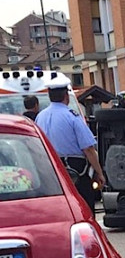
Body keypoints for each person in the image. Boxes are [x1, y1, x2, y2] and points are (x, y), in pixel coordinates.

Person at [35, 74, 105, 216]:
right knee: (84, 208)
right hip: (75, 169)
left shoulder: (40, 116)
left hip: (49, 169)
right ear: (66, 95)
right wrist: (99, 172)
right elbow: (88, 148)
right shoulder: (72, 116)